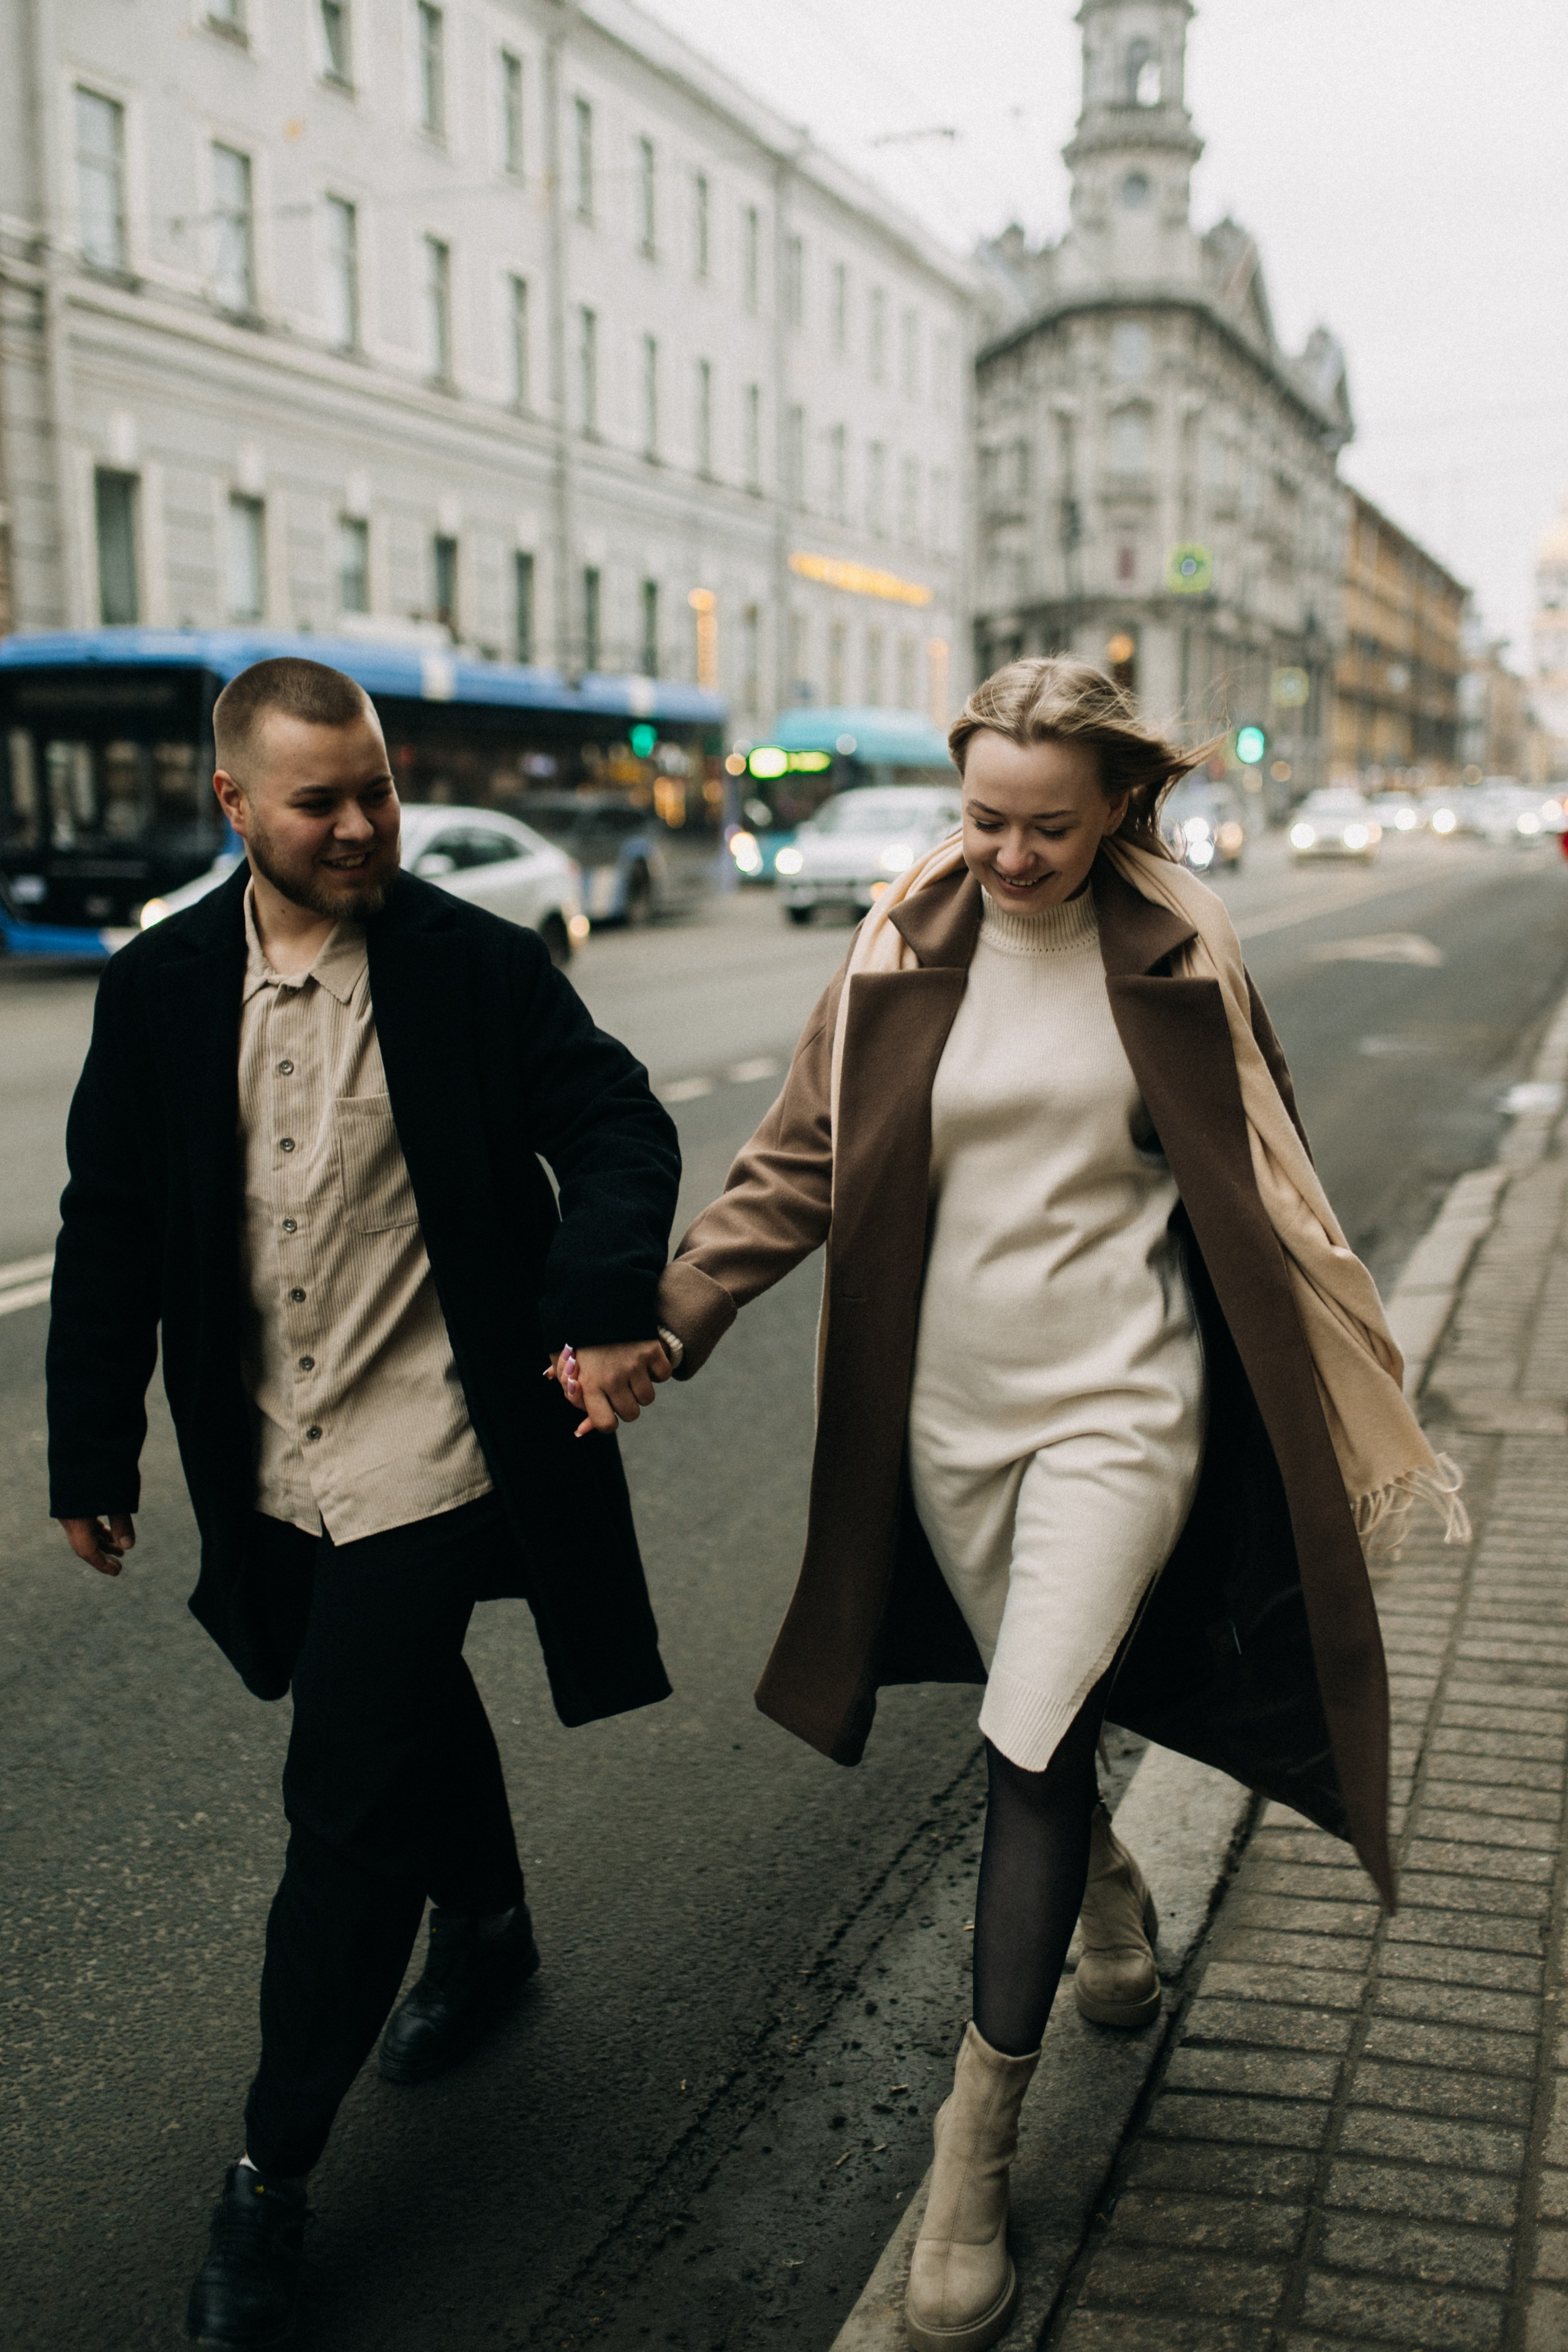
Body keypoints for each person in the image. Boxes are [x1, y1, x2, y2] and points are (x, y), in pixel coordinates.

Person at [653, 657, 1466, 2352]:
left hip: (1122, 1402)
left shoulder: (1178, 945)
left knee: (1029, 1738)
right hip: (945, 1412)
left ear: (1115, 810)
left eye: (1046, 829)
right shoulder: (897, 942)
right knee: (1044, 1718)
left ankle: (974, 2149)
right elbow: (799, 1160)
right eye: (983, 821)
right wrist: (679, 1314)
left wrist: (1334, 1364)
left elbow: (1266, 1171)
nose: (1007, 860)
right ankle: (1105, 1894)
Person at [47, 657, 680, 2349]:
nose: (359, 825)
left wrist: (610, 1295)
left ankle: (270, 2178)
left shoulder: (473, 967)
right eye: (319, 800)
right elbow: (109, 1229)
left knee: (343, 1799)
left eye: (377, 790)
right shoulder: (162, 988)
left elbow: (614, 1121)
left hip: (433, 1452)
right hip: (271, 1462)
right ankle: (486, 1924)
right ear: (233, 807)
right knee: (396, 1717)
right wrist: (88, 1456)